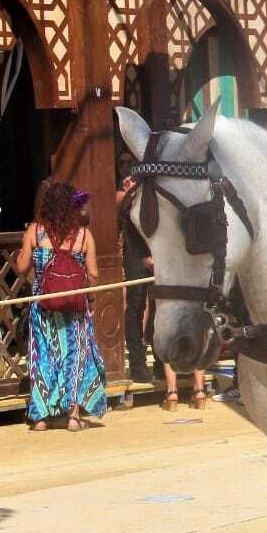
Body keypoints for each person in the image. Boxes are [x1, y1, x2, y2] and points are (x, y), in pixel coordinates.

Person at [16, 179, 106, 430]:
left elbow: (22, 267)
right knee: (74, 356)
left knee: (43, 356)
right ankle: (74, 416)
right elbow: (94, 274)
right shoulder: (83, 235)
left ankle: (41, 417)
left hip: (43, 305)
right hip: (75, 305)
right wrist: (91, 300)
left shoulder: (35, 231)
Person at [116, 152, 154, 383]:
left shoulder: (147, 188)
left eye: (131, 163)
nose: (126, 167)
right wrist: (132, 191)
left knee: (159, 305)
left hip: (154, 250)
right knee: (135, 306)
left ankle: (161, 362)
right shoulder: (121, 191)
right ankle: (138, 365)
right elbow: (124, 205)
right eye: (122, 163)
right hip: (134, 251)